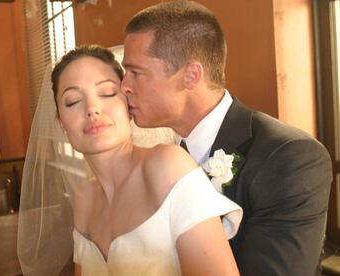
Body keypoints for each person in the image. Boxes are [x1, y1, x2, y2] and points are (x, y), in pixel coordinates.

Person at [121, 1, 333, 276]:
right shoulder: (161, 159)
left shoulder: (290, 157)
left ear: (190, 76)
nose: (124, 86)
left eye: (135, 72)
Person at [18, 45, 242, 276]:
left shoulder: (167, 166)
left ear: (128, 104)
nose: (92, 109)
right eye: (73, 101)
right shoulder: (84, 199)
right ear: (61, 123)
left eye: (106, 93)